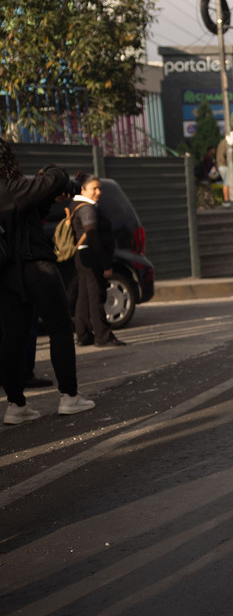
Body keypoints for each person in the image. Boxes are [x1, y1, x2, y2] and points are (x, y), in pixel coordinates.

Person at [0, 139, 94, 424]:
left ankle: (16, 405)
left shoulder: (13, 194)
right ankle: (69, 396)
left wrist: (44, 199)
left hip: (6, 276)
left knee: (12, 340)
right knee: (60, 329)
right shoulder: (12, 188)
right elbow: (53, 178)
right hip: (36, 267)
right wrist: (48, 172)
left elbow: (27, 216)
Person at [70, 173, 126, 348]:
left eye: (100, 188)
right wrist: (105, 263)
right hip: (91, 256)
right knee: (97, 297)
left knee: (84, 297)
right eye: (94, 188)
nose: (98, 192)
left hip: (81, 256)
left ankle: (83, 334)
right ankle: (103, 336)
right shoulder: (87, 208)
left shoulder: (75, 205)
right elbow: (93, 235)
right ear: (83, 189)